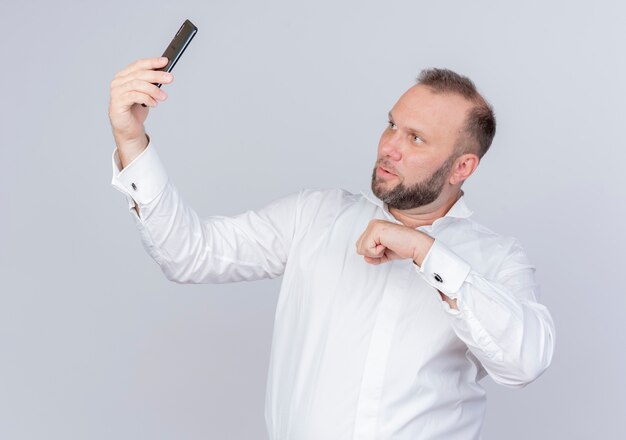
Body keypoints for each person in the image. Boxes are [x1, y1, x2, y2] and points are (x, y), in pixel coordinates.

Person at [109, 57, 555, 440]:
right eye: (391, 125)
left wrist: (426, 252)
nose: (389, 148)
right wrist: (131, 141)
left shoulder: (495, 260)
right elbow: (189, 254)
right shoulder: (314, 216)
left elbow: (525, 362)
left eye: (415, 138)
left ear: (462, 167)